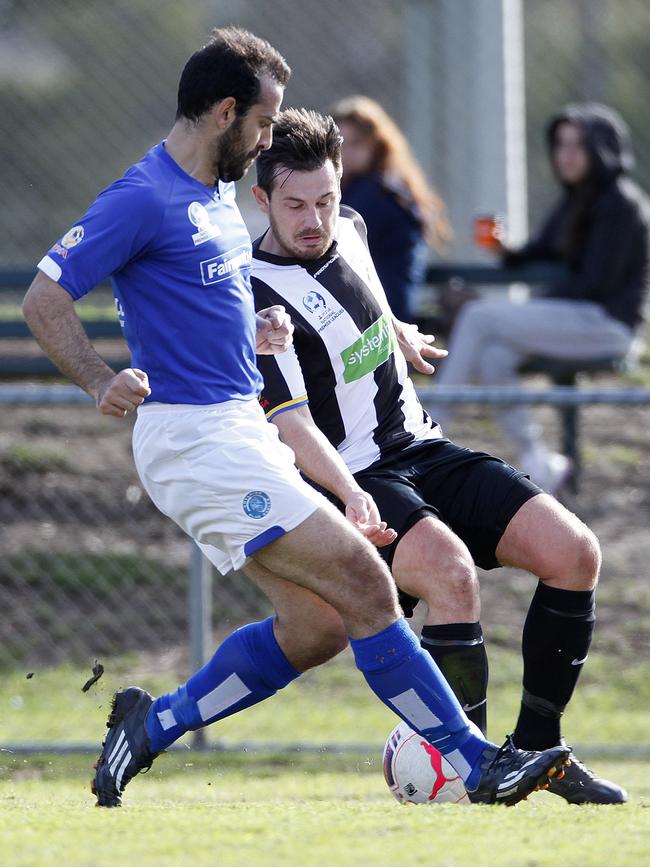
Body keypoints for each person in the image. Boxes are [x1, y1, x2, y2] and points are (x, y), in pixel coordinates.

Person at [21, 28, 569, 809]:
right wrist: (98, 378)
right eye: (264, 119)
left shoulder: (211, 195)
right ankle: (475, 762)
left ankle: (151, 724)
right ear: (223, 112)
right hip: (195, 438)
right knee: (363, 582)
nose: (270, 135)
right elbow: (44, 298)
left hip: (238, 426)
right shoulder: (142, 196)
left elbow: (189, 305)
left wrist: (253, 331)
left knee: (318, 624)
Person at [249, 107, 626, 805]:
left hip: (422, 446)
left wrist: (399, 332)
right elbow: (291, 421)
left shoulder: (353, 230)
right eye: (296, 204)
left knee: (575, 552)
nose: (314, 218)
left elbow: (363, 292)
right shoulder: (257, 298)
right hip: (352, 478)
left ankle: (539, 749)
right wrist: (349, 496)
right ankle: (470, 773)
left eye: (327, 200)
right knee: (451, 575)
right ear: (262, 199)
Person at [434, 103, 649, 492]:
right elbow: (541, 251)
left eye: (577, 146)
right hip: (576, 319)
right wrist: (506, 251)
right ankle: (540, 461)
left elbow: (595, 285)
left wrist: (510, 309)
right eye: (560, 144)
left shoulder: (621, 203)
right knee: (492, 355)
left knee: (479, 317)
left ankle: (429, 429)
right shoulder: (575, 199)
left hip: (608, 326)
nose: (564, 155)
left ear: (601, 150)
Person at [330, 95, 451, 321]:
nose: (346, 153)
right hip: (377, 310)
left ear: (377, 144)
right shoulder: (382, 187)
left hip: (378, 316)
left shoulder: (376, 192)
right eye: (339, 144)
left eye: (356, 143)